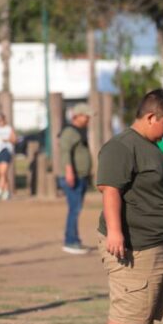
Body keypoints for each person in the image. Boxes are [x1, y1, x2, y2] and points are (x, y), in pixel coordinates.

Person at [96, 89, 163, 324]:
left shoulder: (150, 146)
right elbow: (111, 190)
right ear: (150, 117)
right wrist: (116, 232)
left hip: (157, 246)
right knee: (128, 309)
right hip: (134, 245)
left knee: (145, 311)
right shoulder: (121, 147)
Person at [58, 104, 93, 254]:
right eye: (86, 116)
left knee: (76, 209)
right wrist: (69, 172)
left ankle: (74, 239)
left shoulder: (80, 131)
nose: (88, 119)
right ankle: (70, 241)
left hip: (81, 176)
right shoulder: (69, 132)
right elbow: (65, 153)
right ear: (77, 116)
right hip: (73, 176)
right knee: (74, 209)